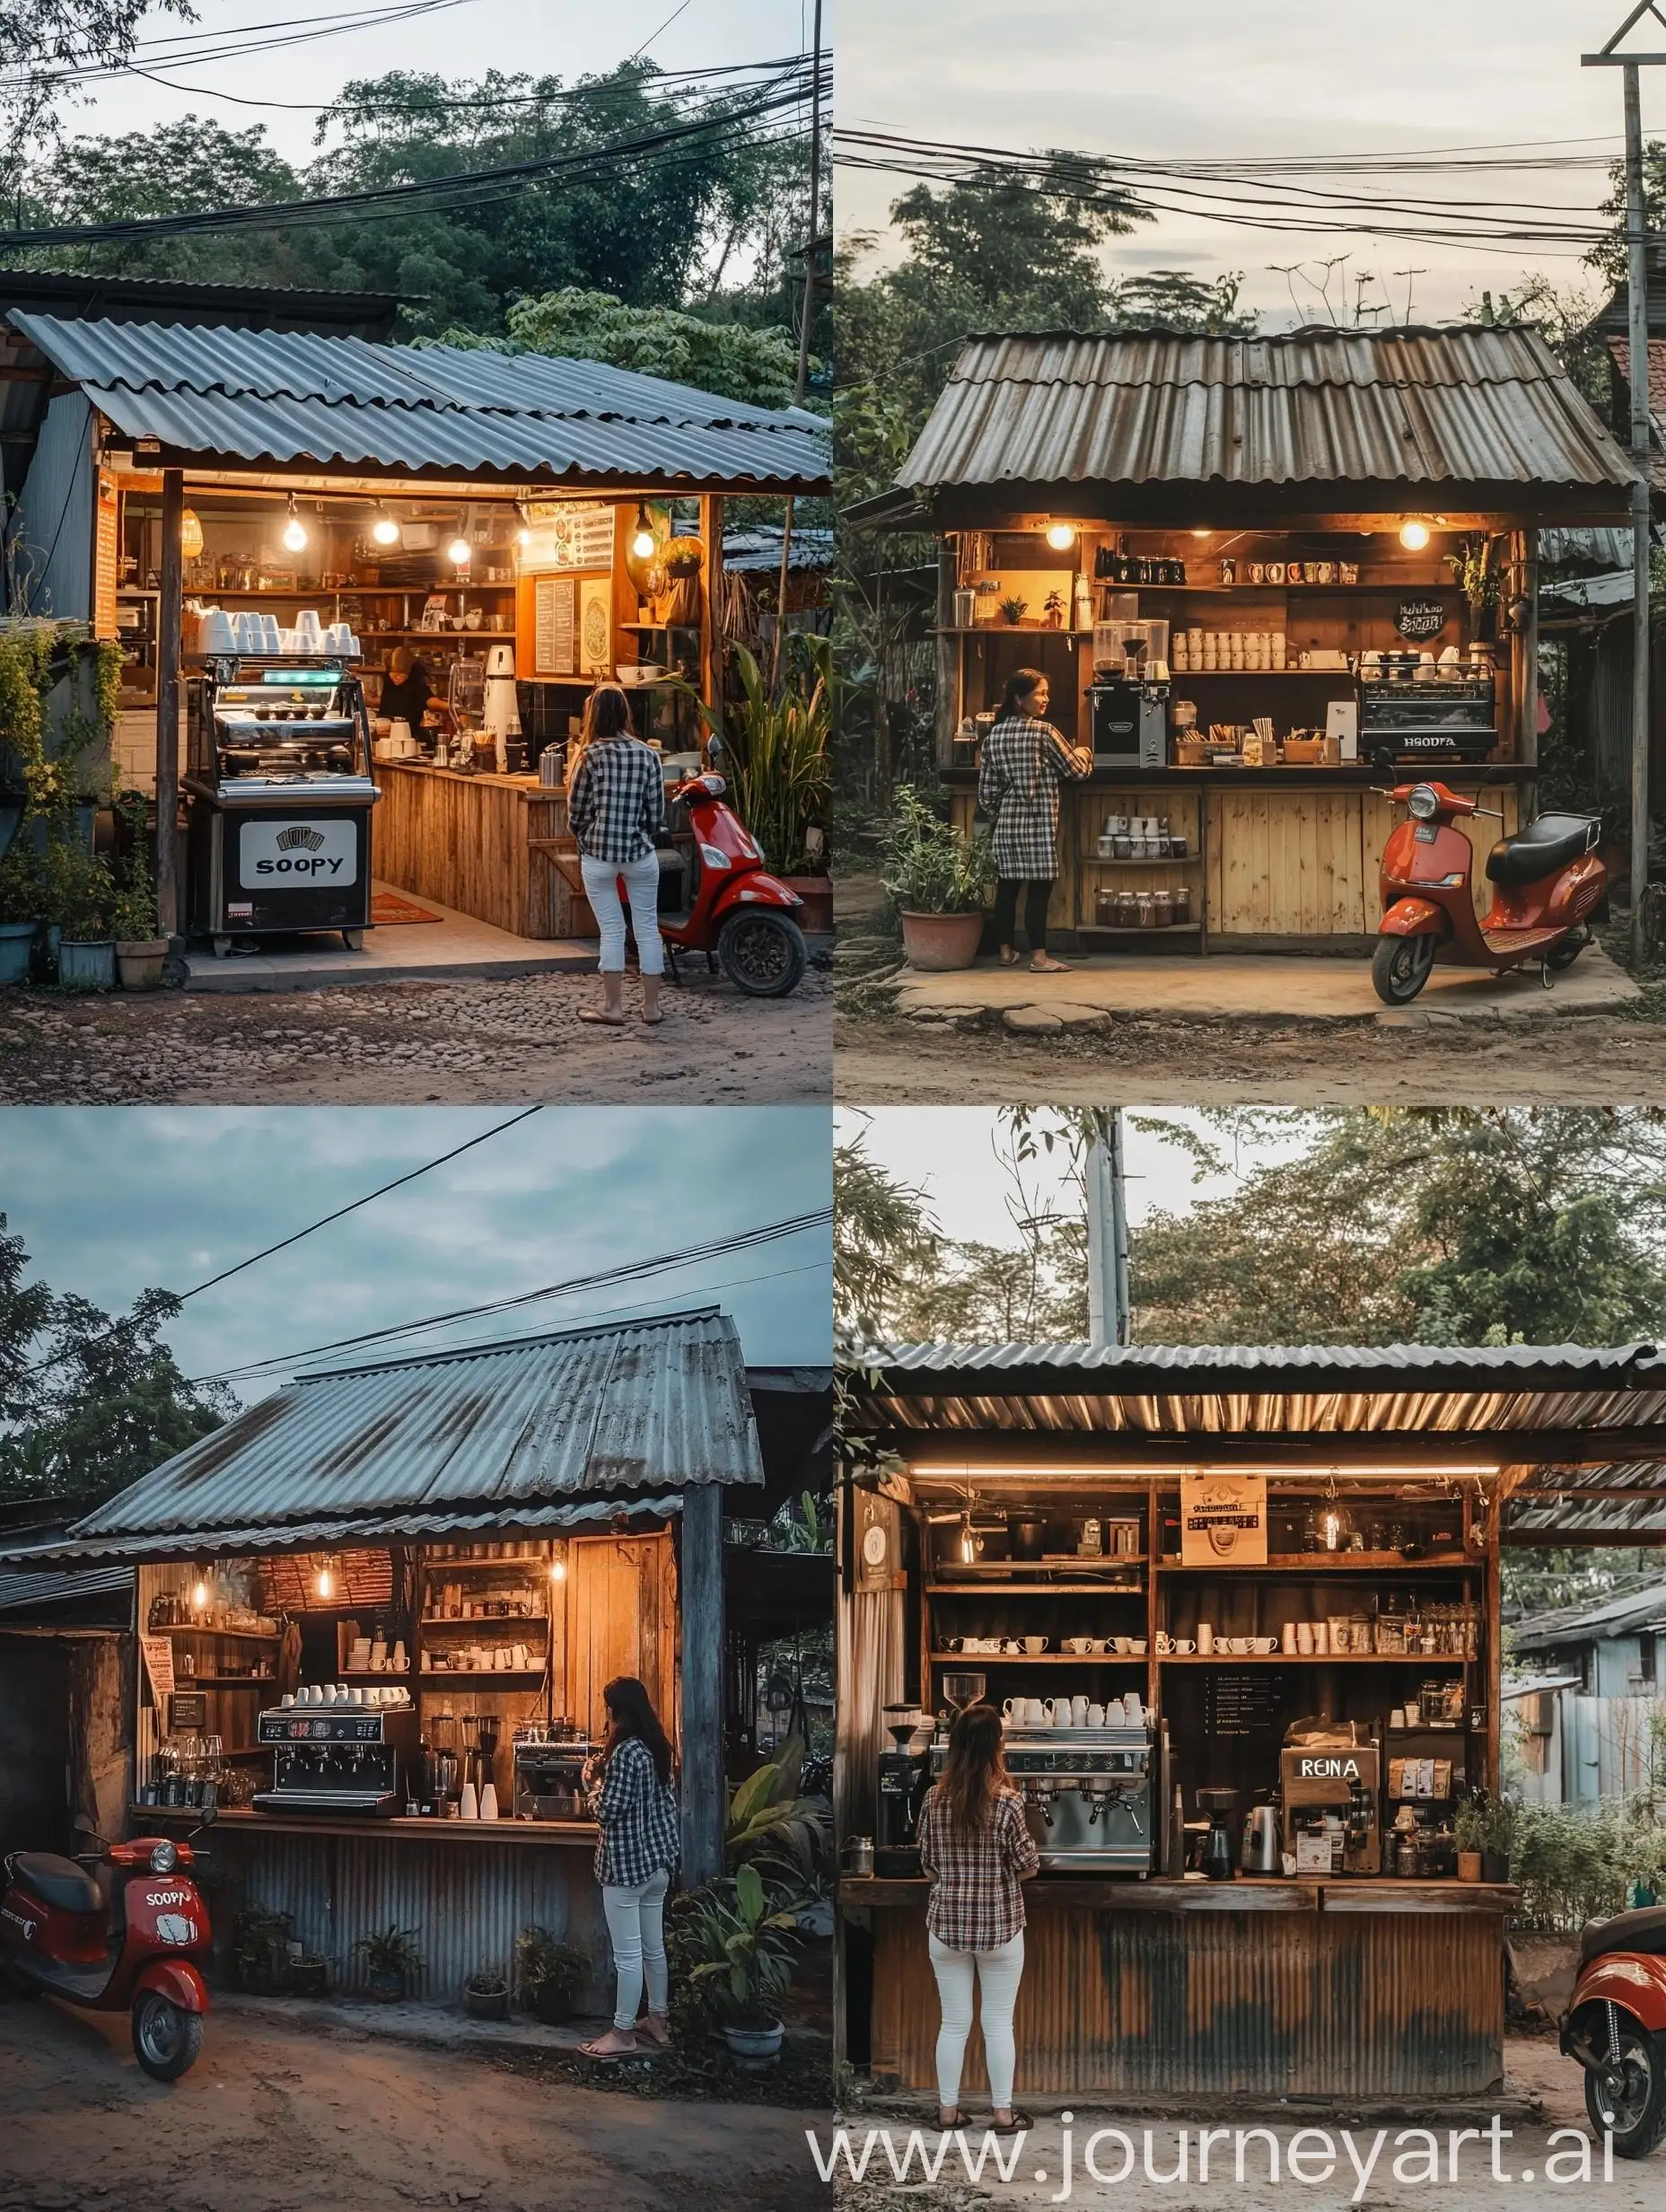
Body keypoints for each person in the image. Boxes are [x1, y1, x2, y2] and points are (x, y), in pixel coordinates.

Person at [916, 1701, 1039, 2136]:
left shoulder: (934, 1799)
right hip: (1000, 1927)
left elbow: (928, 1866)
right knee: (998, 2022)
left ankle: (947, 2113)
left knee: (953, 2022)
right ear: (996, 1746)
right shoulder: (1008, 1802)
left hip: (946, 1926)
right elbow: (1028, 1865)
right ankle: (1003, 2115)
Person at [579, 1675, 680, 2058]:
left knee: (628, 1955)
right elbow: (647, 1802)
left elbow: (608, 1811)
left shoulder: (626, 1752)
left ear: (617, 1711)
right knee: (654, 1949)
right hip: (657, 1866)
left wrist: (590, 1786)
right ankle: (657, 2020)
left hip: (626, 1868)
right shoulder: (658, 1749)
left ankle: (622, 2033)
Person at [977, 668, 1091, 971]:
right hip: (1039, 823)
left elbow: (986, 794)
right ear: (1019, 698)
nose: (1046, 699)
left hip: (1007, 825)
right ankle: (1039, 958)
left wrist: (1003, 814)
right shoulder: (1044, 732)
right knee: (1039, 891)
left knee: (1007, 890)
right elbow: (1076, 772)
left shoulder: (993, 737)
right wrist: (1083, 751)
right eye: (1040, 693)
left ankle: (1005, 953)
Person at [566, 683, 667, 1027]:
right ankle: (652, 1009)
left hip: (599, 854)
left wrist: (584, 836)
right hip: (640, 854)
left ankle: (612, 1007)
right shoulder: (648, 755)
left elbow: (576, 812)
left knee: (611, 931)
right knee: (648, 929)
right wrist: (641, 833)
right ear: (626, 713)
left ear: (592, 715)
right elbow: (656, 815)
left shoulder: (589, 756)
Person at [374, 645, 439, 734]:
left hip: (409, 734)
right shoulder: (388, 682)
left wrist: (453, 706)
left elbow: (430, 700)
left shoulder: (416, 684)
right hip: (384, 732)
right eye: (393, 673)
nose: (396, 677)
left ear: (410, 672)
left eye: (401, 673)